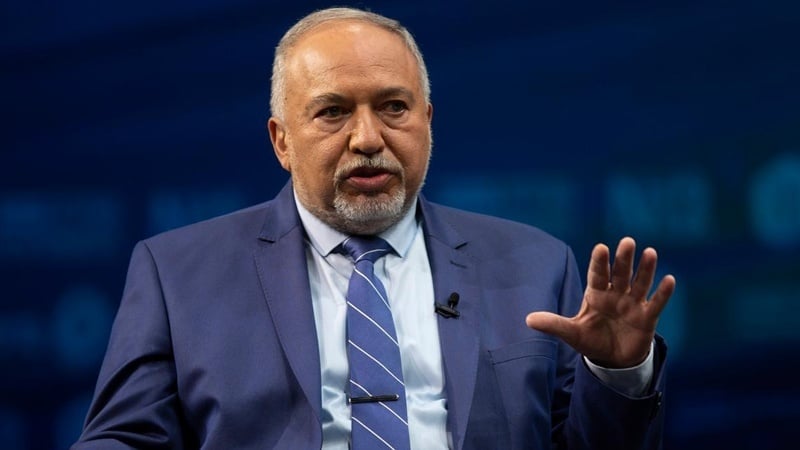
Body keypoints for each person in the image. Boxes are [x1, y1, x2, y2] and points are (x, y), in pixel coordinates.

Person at [73, 6, 676, 450]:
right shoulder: (177, 274)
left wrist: (618, 374)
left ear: (427, 122)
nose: (367, 138)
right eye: (333, 112)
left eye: (393, 107)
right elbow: (125, 439)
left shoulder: (537, 263)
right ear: (282, 140)